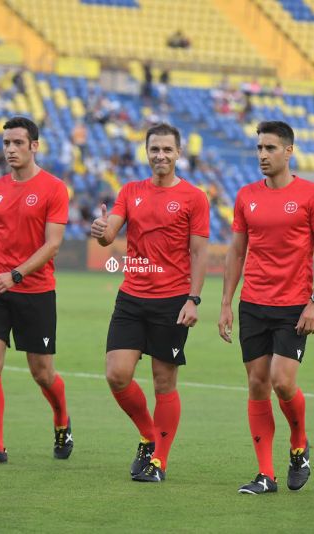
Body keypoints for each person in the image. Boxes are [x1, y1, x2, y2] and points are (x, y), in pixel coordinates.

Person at [218, 121, 314, 495]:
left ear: (288, 151)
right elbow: (237, 251)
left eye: (270, 148)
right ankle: (265, 474)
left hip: (293, 307)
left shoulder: (312, 195)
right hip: (253, 303)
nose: (263, 155)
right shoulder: (246, 196)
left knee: (283, 383)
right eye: (259, 148)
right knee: (257, 384)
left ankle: (298, 445)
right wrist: (225, 303)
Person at [90, 123, 210, 483]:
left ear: (178, 153)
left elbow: (200, 254)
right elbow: (110, 234)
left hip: (172, 301)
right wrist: (102, 231)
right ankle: (147, 434)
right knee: (117, 374)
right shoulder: (130, 191)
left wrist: (193, 299)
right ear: (147, 152)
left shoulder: (194, 197)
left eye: (167, 150)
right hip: (131, 296)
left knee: (163, 383)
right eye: (154, 149)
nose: (160, 155)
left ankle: (159, 460)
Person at [0, 116, 73, 464]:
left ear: (34, 146)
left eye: (18, 143)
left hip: (35, 290)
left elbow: (52, 246)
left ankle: (61, 419)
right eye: (7, 143)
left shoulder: (54, 188)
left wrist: (15, 275)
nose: (11, 150)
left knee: (42, 372)